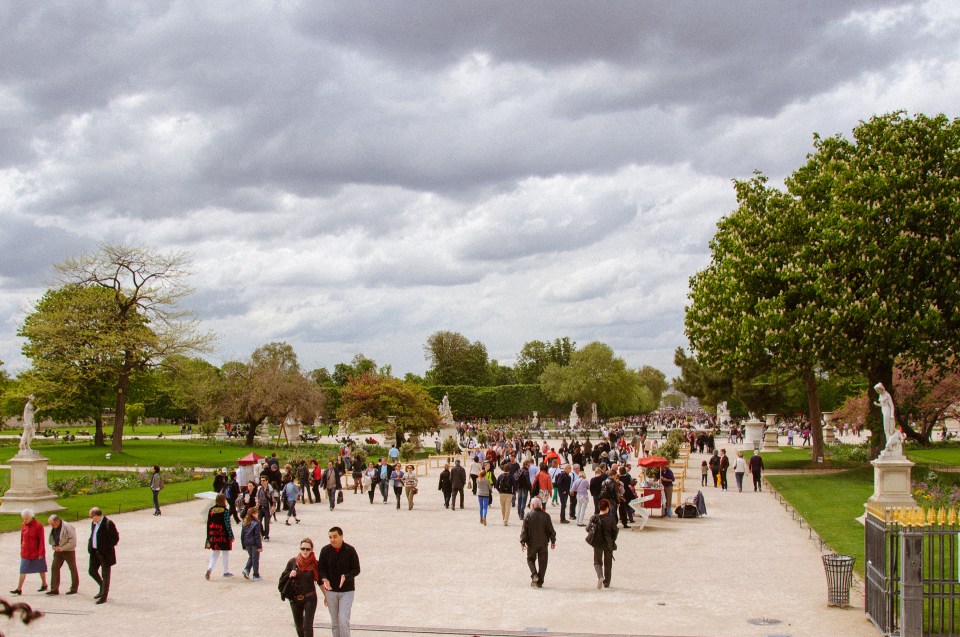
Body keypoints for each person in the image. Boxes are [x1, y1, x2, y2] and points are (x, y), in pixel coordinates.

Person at [318, 526, 361, 637]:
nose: (332, 539)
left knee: (343, 620)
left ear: (341, 536)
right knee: (335, 623)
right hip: (331, 591)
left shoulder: (350, 550)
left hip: (347, 591)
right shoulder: (325, 550)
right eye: (330, 537)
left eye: (335, 537)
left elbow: (357, 569)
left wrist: (346, 577)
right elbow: (321, 569)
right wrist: (324, 578)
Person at [283, 538, 320, 637]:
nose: (305, 551)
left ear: (312, 550)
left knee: (307, 626)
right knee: (299, 626)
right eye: (303, 548)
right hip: (295, 598)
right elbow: (283, 577)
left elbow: (321, 580)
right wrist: (290, 574)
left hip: (310, 598)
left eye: (307, 549)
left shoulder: (315, 563)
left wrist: (326, 596)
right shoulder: (293, 562)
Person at [519, 497, 556, 588]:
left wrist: (522, 542)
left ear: (532, 505)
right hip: (543, 543)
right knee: (543, 562)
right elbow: (551, 530)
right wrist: (553, 541)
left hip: (532, 543)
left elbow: (524, 531)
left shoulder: (528, 515)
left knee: (530, 559)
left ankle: (534, 575)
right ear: (540, 506)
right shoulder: (546, 516)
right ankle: (540, 581)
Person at [11, 509, 47, 595]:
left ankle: (44, 584)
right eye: (24, 518)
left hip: (36, 552)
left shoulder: (38, 526)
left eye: (26, 518)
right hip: (25, 552)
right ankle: (19, 589)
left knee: (41, 569)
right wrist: (21, 547)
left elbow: (41, 540)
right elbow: (22, 538)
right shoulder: (23, 525)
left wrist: (41, 553)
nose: (25, 520)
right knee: (22, 570)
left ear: (32, 517)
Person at [87, 507, 119, 604]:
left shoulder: (108, 523)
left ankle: (104, 596)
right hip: (94, 552)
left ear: (96, 515)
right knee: (92, 571)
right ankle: (102, 587)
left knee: (105, 575)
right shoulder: (93, 523)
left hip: (105, 554)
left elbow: (115, 538)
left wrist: (105, 547)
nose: (91, 518)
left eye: (91, 516)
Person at [46, 514, 79, 595]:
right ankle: (54, 589)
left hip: (69, 551)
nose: (52, 526)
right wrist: (54, 545)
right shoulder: (54, 527)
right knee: (54, 568)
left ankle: (74, 588)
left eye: (53, 524)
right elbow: (53, 538)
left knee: (72, 568)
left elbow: (72, 540)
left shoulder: (68, 527)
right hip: (58, 551)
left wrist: (62, 548)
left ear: (57, 521)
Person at [590, 498, 619, 589]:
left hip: (597, 542)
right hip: (608, 542)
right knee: (608, 563)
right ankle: (607, 583)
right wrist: (613, 539)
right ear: (608, 507)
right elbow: (615, 530)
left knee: (597, 562)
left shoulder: (594, 518)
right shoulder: (611, 518)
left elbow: (588, 529)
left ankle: (600, 576)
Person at [205, 493, 234, 579]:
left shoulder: (211, 510)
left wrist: (208, 536)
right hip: (223, 535)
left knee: (215, 553)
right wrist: (231, 536)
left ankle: (209, 568)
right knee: (225, 553)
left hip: (213, 535)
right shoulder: (225, 511)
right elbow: (227, 524)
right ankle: (226, 571)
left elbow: (208, 523)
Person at [240, 506, 263, 581]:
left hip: (247, 542)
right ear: (253, 514)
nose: (257, 514)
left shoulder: (245, 522)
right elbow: (257, 536)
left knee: (251, 557)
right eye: (256, 513)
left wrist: (243, 545)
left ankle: (246, 569)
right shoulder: (256, 523)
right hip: (254, 543)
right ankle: (255, 575)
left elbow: (242, 535)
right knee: (255, 559)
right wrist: (260, 546)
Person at [257, 476, 275, 541]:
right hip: (260, 507)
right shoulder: (259, 489)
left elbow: (273, 499)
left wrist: (273, 506)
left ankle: (266, 536)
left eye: (264, 480)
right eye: (261, 480)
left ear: (267, 481)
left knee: (266, 523)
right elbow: (258, 497)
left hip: (267, 507)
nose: (262, 482)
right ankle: (262, 533)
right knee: (258, 522)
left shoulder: (270, 489)